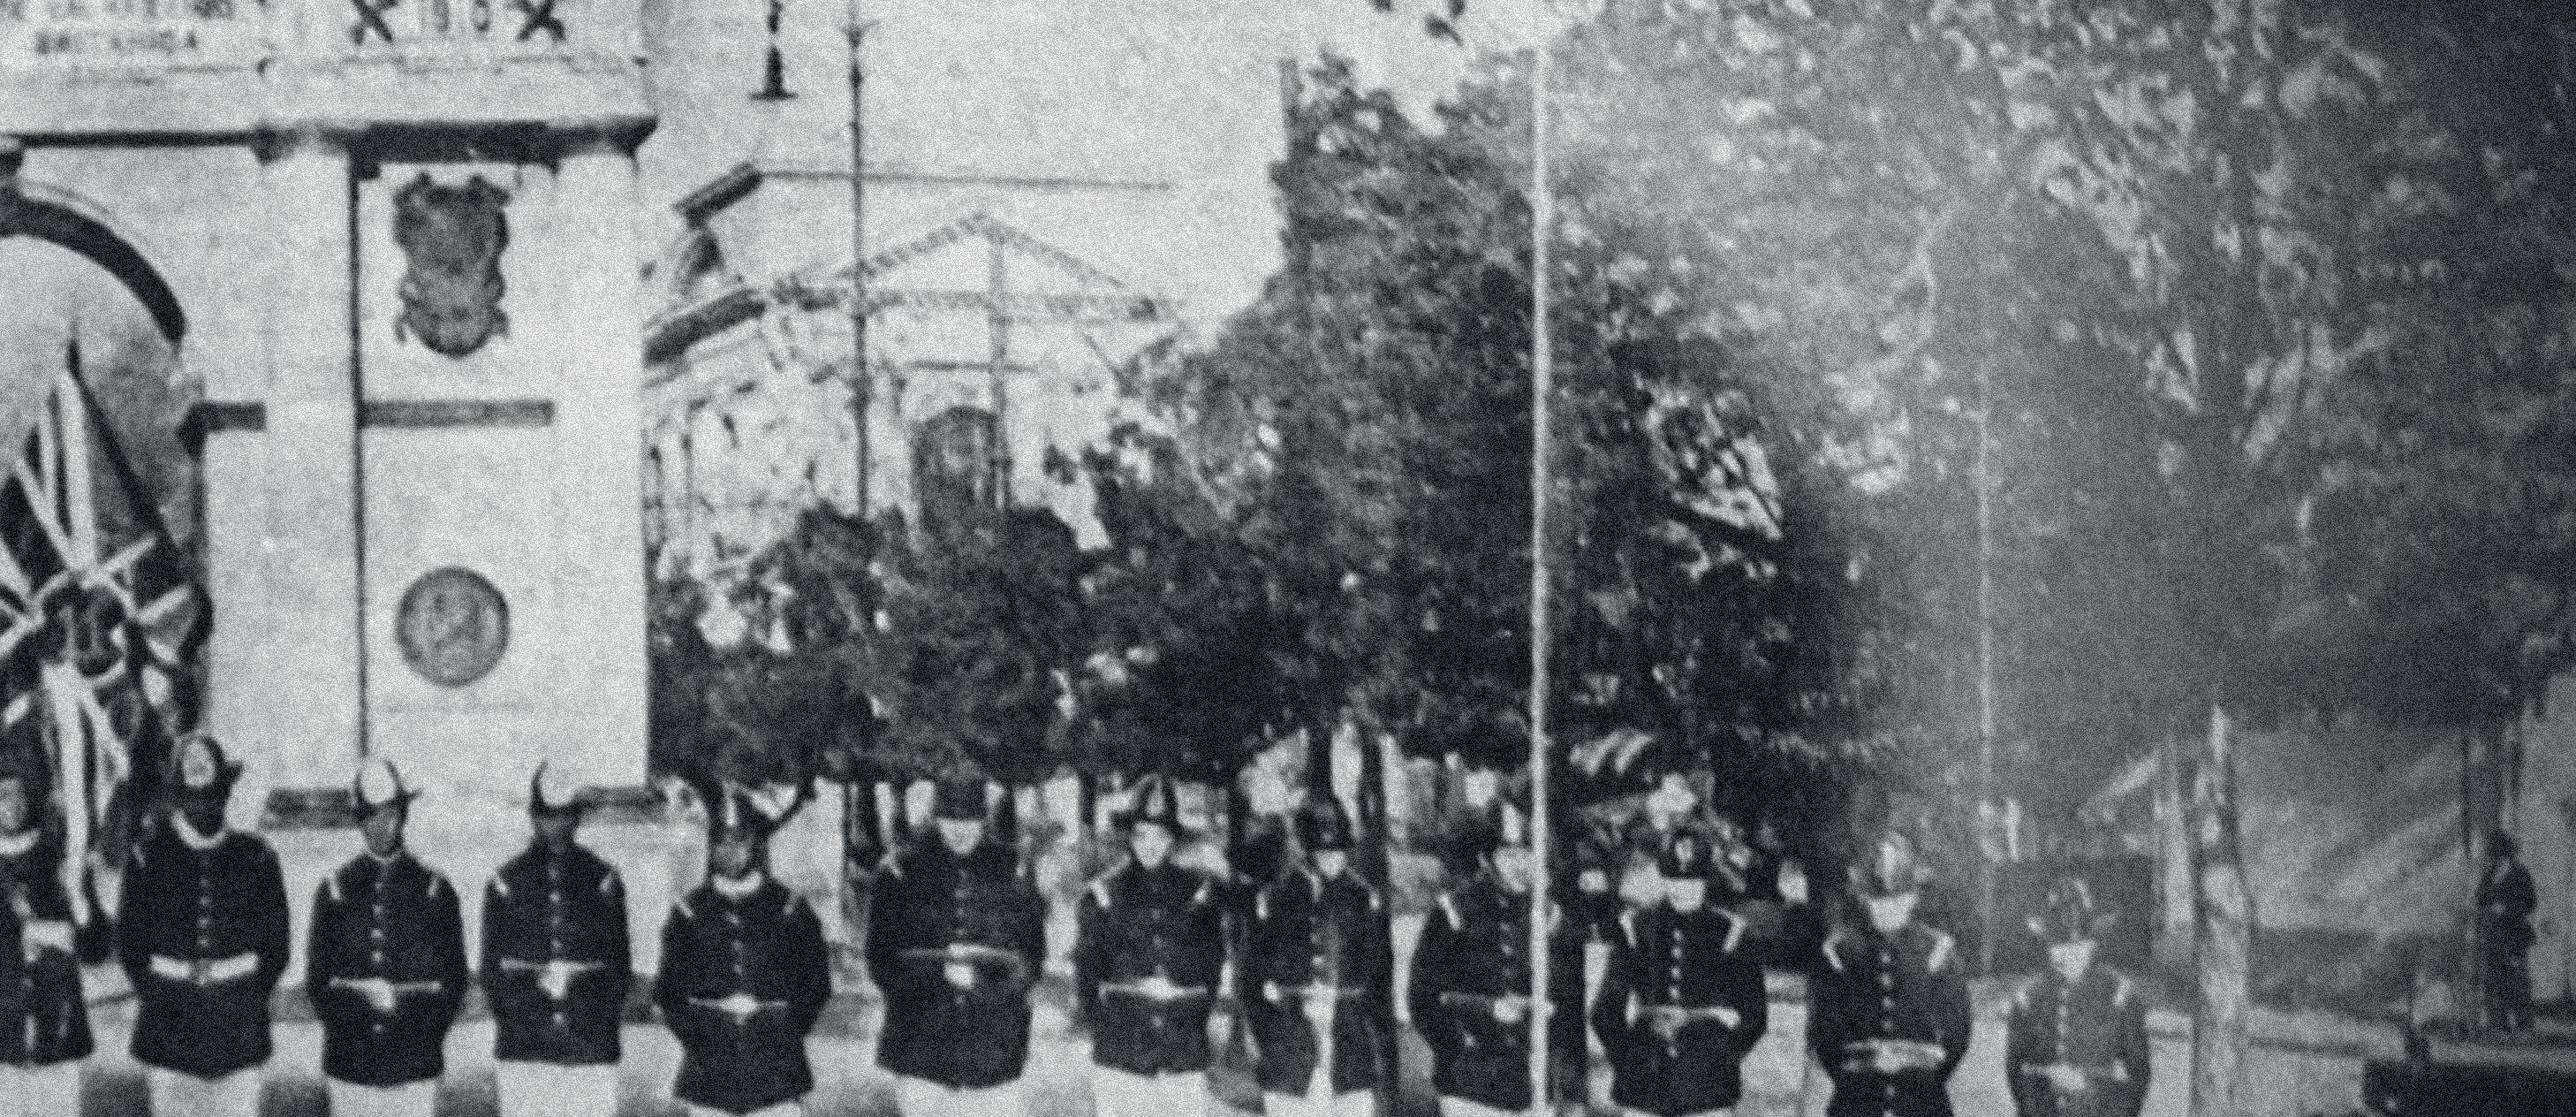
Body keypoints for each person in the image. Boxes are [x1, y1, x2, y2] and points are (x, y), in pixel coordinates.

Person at [118, 734, 291, 1117]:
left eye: (214, 793)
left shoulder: (257, 858)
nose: (205, 806)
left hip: (239, 1037)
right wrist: (167, 1004)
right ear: (177, 795)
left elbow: (276, 950)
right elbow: (131, 950)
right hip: (168, 1037)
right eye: (193, 795)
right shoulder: (147, 858)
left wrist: (243, 1004)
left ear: (226, 792)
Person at [868, 773, 1048, 1117]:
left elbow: (1032, 957)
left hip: (994, 1046)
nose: (960, 830)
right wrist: (936, 976)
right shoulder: (900, 872)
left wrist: (985, 985)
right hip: (922, 1047)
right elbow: (881, 961)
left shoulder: (1014, 870)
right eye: (950, 819)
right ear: (936, 818)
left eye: (970, 820)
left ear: (984, 820)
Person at [659, 781, 831, 1117]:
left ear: (756, 844)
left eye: (740, 841)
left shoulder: (791, 909)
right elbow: (669, 993)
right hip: (710, 1074)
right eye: (721, 842)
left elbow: (815, 986)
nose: (730, 851)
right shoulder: (689, 912)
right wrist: (702, 1037)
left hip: (777, 1073)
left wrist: (783, 1031)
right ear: (710, 847)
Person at [306, 759, 468, 1117]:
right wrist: (355, 1029)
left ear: (403, 816)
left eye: (390, 814)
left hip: (414, 1066)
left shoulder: (435, 891)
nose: (381, 826)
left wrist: (419, 1037)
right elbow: (318, 983)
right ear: (360, 822)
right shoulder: (335, 891)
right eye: (371, 817)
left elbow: (453, 982)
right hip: (352, 1066)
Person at [1410, 795, 1585, 1117]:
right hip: (1471, 1083)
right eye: (1508, 855)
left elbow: (1571, 1007)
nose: (1520, 866)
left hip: (1536, 1084)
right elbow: (1422, 999)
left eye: (1527, 854)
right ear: (1486, 859)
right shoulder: (1453, 913)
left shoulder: (1552, 918)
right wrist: (1480, 1020)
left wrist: (1573, 1089)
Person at [483, 763, 633, 1117]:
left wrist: (588, 1022)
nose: (557, 826)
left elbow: (618, 970)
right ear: (533, 817)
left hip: (589, 1051)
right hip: (526, 1051)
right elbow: (493, 974)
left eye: (566, 816)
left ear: (577, 818)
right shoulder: (506, 883)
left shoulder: (602, 881)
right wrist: (530, 1015)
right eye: (547, 817)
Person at [1075, 774, 1227, 1117]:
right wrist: (1109, 1029)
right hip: (1122, 1055)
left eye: (1160, 835)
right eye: (1141, 834)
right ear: (1129, 837)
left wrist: (1190, 1019)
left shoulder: (1199, 894)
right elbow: (1087, 975)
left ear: (1172, 839)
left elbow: (1212, 969)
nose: (1150, 845)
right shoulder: (1103, 895)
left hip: (1182, 1053)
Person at [1594, 830, 1769, 1117]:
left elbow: (1755, 1016)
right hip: (1646, 1082)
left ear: (1706, 881)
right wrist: (1628, 1061)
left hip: (1707, 1087)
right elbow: (1605, 1011)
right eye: (1673, 880)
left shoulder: (1732, 934)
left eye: (1691, 882)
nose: (1681, 889)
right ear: (1662, 878)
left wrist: (1722, 1060)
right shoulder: (1635, 928)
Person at [1809, 831, 1971, 1117]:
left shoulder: (1938, 952)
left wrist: (1922, 1077)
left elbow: (1957, 1034)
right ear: (1864, 902)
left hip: (1920, 1101)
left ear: (1912, 900)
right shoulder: (1839, 954)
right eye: (1878, 905)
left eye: (1897, 904)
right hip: (1858, 1100)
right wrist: (1858, 1075)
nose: (1887, 913)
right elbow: (1825, 1034)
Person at [1247, 796, 1390, 1117]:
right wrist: (1271, 1038)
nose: (1331, 859)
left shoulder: (1364, 899)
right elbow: (1250, 983)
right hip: (1289, 1047)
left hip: (1349, 1048)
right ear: (1307, 852)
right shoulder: (1276, 899)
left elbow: (1379, 981)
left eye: (1339, 851)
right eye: (1323, 852)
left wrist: (1365, 1030)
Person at [0, 742, 109, 1117]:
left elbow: (95, 947)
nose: (10, 805)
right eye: (1, 795)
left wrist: (81, 903)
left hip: (58, 1023)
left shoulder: (58, 860)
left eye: (18, 794)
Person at [2004, 878, 2148, 1117]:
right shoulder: (2029, 998)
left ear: (2092, 947)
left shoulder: (2119, 996)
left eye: (2077, 950)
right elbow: (2017, 1072)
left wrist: (2090, 1089)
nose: (2065, 959)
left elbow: (2136, 1078)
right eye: (2057, 950)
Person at [2477, 830, 2537, 1032]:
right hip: (2494, 935)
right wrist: (2488, 906)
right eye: (2492, 854)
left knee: (2517, 980)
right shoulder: (2490, 874)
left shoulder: (2520, 873)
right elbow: (2480, 898)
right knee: (2495, 980)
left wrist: (2506, 909)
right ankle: (2499, 1024)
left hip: (2515, 934)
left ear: (2505, 852)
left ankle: (2524, 1025)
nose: (2493, 858)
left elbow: (2530, 903)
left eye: (2496, 853)